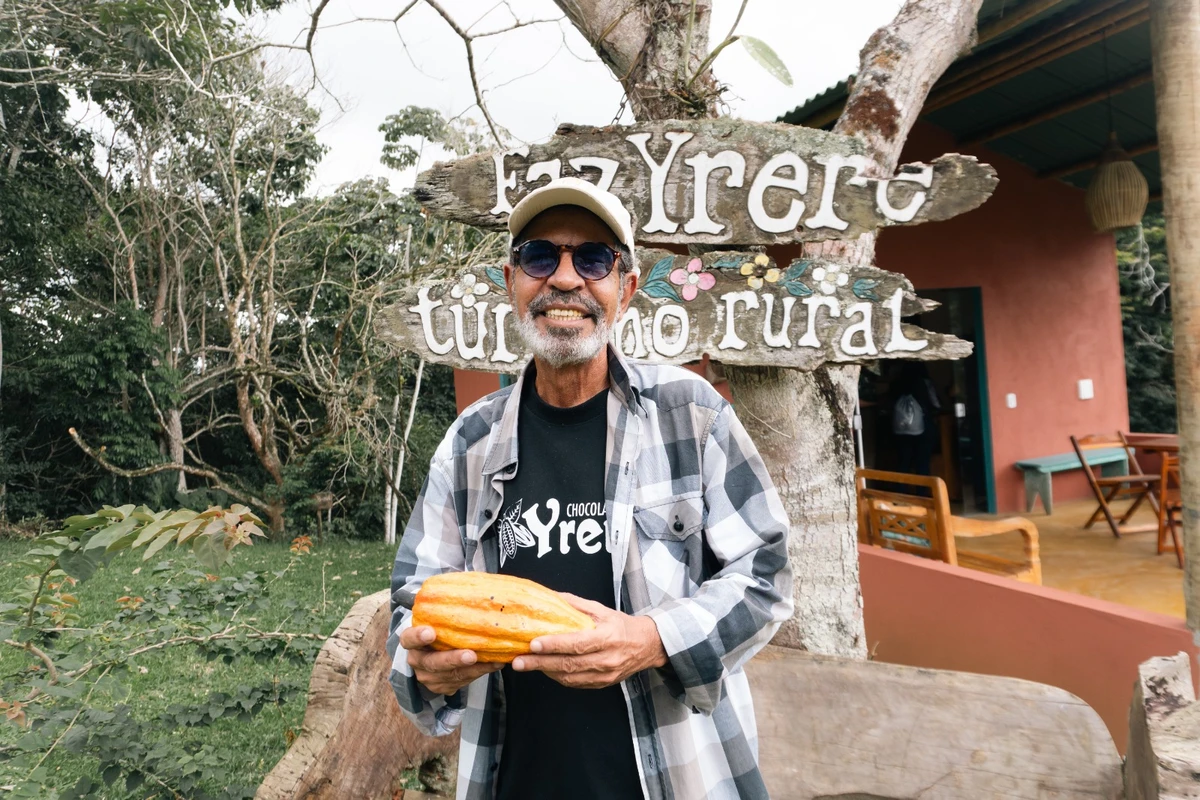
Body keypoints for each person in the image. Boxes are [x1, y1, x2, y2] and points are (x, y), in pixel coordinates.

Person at [386, 177, 794, 800]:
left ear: (625, 289)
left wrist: (653, 640)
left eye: (594, 258)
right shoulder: (470, 442)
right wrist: (423, 665)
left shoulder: (691, 414)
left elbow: (766, 575)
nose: (566, 280)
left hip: (678, 780)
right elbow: (411, 604)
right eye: (540, 257)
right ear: (511, 282)